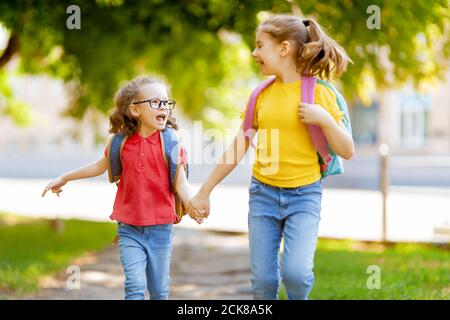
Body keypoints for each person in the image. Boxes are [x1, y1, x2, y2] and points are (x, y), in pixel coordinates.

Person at [190, 14, 355, 300]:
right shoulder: (260, 96)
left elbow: (347, 150)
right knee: (263, 282)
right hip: (263, 194)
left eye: (260, 46)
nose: (254, 53)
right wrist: (205, 191)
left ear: (284, 48)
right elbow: (239, 145)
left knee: (297, 274)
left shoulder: (320, 94)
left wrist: (325, 120)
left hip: (304, 196)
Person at [42, 76, 203, 300]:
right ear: (135, 110)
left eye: (166, 102)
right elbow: (99, 166)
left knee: (158, 290)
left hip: (161, 228)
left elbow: (181, 182)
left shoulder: (172, 142)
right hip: (129, 228)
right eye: (155, 102)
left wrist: (191, 204)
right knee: (135, 287)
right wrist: (65, 178)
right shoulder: (120, 143)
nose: (163, 107)